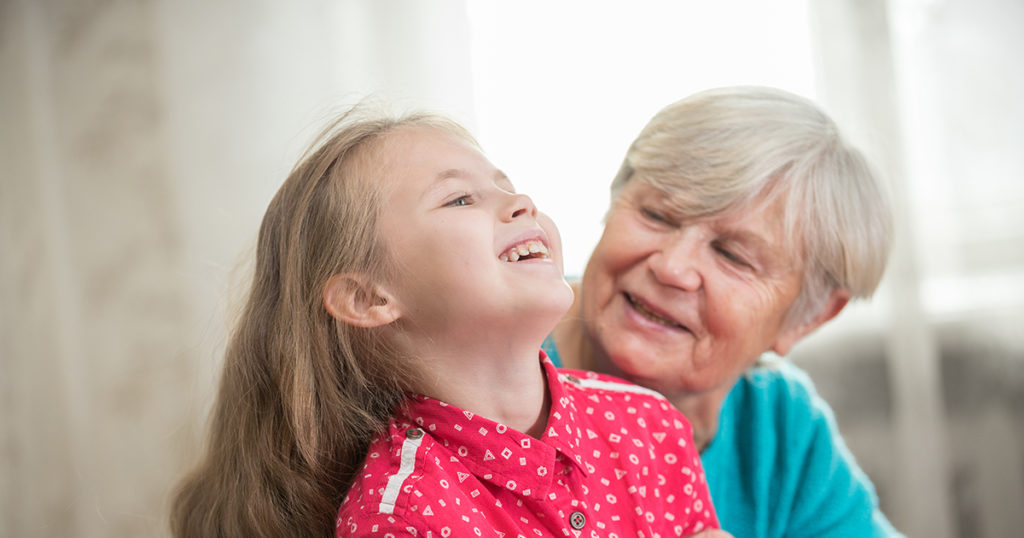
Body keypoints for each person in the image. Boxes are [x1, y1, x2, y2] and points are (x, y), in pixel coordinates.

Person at [170, 107, 723, 537]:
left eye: (508, 186)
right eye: (460, 199)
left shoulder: (650, 423)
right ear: (368, 298)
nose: (521, 202)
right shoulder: (402, 517)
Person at [545, 86, 904, 537]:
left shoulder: (776, 421)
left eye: (733, 256)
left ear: (807, 316)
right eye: (657, 215)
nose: (672, 268)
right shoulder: (482, 365)